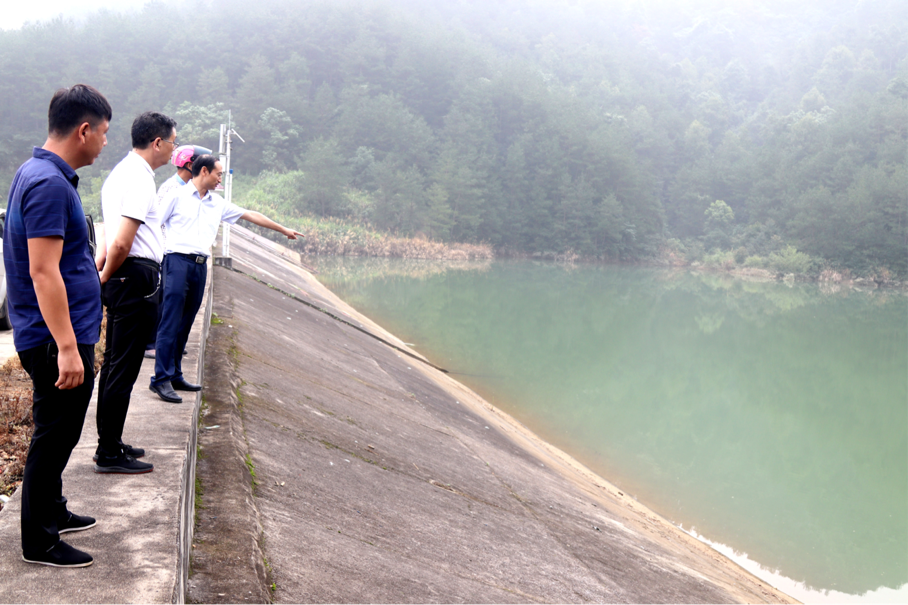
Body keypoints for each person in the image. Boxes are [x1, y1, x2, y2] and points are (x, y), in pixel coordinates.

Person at [4, 84, 111, 567]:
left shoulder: (40, 172)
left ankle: (54, 510)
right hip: (53, 340)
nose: (104, 142)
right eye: (104, 133)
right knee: (55, 434)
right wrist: (68, 347)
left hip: (56, 335)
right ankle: (40, 541)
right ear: (84, 129)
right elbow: (43, 271)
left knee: (62, 432)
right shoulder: (48, 183)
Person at [149, 154, 303, 402]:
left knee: (186, 321)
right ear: (203, 172)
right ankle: (160, 379)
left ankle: (175, 374)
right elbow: (153, 224)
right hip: (176, 262)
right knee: (170, 320)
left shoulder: (216, 203)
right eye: (218, 174)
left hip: (199, 266)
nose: (221, 178)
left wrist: (283, 229)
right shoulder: (175, 196)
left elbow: (249, 215)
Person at [93, 111, 177, 474]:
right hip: (134, 277)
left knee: (114, 364)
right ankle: (109, 453)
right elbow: (123, 242)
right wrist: (105, 276)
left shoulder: (121, 174)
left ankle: (110, 442)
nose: (174, 150)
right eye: (172, 142)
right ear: (157, 142)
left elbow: (112, 237)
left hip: (123, 276)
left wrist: (104, 275)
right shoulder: (140, 179)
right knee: (122, 369)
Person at [144, 144, 211, 360]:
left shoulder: (185, 187)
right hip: (167, 252)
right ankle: (153, 344)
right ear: (191, 165)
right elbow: (157, 223)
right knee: (165, 299)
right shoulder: (172, 189)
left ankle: (167, 343)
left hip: (174, 253)